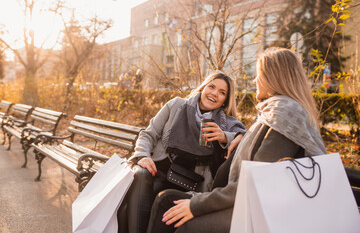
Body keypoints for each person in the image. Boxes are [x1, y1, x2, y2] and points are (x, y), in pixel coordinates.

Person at [146, 48, 327, 233]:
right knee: (165, 199)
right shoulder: (276, 112)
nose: (255, 80)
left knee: (176, 216)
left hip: (249, 207)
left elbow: (253, 183)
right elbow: (254, 145)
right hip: (238, 198)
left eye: (259, 75)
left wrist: (196, 205)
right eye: (211, 87)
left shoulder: (285, 114)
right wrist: (240, 137)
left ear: (273, 79)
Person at [118, 71, 247, 233]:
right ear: (203, 88)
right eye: (211, 86)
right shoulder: (177, 105)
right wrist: (142, 155)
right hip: (160, 169)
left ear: (225, 101)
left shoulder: (226, 123)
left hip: (192, 183)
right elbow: (148, 134)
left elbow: (247, 135)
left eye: (222, 93)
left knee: (159, 199)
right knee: (140, 177)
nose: (214, 93)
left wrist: (224, 137)